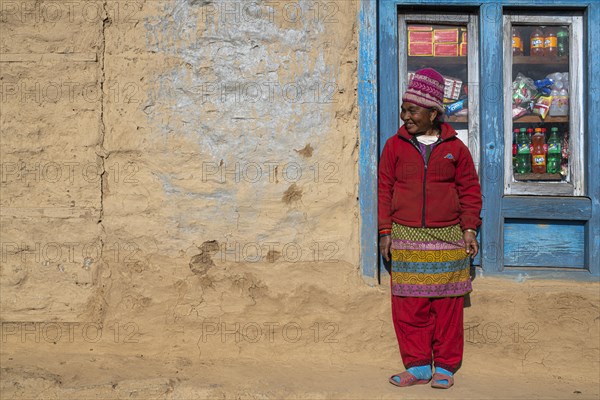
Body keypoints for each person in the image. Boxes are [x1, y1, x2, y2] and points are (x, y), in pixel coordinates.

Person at [378, 68, 482, 389]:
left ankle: (446, 367)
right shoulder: (394, 146)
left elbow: (469, 189)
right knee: (410, 305)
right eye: (403, 109)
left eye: (413, 111)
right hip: (406, 236)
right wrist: (385, 232)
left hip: (448, 237)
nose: (405, 116)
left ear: (434, 113)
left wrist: (469, 229)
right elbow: (384, 188)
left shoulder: (456, 148)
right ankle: (419, 365)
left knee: (447, 306)